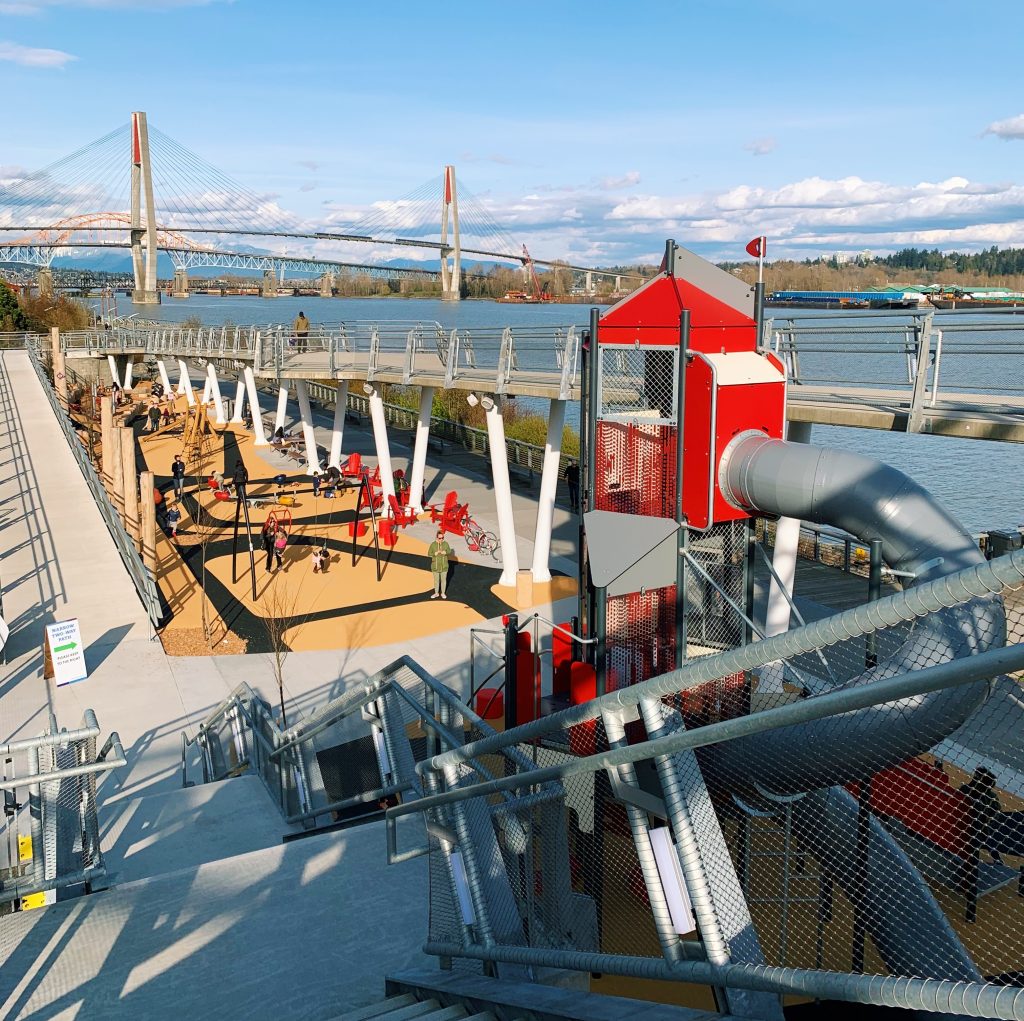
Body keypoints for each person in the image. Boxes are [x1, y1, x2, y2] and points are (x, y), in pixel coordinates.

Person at [428, 528, 452, 600]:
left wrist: (446, 552)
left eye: (442, 538)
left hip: (444, 566)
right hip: (435, 566)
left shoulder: (446, 544)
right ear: (437, 537)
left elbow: (449, 551)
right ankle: (436, 593)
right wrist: (434, 554)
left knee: (444, 580)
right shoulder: (433, 544)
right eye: (440, 538)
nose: (441, 539)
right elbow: (429, 553)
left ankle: (443, 593)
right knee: (436, 581)